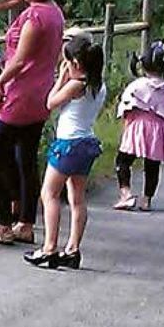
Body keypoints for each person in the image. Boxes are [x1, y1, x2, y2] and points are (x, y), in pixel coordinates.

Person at [0, 0, 65, 245]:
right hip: (40, 94)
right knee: (25, 157)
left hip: (21, 93)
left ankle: (2, 222)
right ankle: (24, 221)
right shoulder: (55, 14)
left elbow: (21, 59)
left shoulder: (36, 16)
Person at [24, 34, 106, 269]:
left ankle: (49, 248)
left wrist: (60, 79)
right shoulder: (97, 85)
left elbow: (50, 103)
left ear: (76, 64)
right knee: (77, 199)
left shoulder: (75, 85)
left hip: (67, 144)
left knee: (49, 194)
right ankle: (72, 248)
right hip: (87, 143)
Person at [113, 41, 164, 212]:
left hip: (137, 127)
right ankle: (146, 200)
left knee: (123, 160)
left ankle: (126, 194)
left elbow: (126, 106)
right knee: (152, 165)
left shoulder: (138, 85)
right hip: (158, 130)